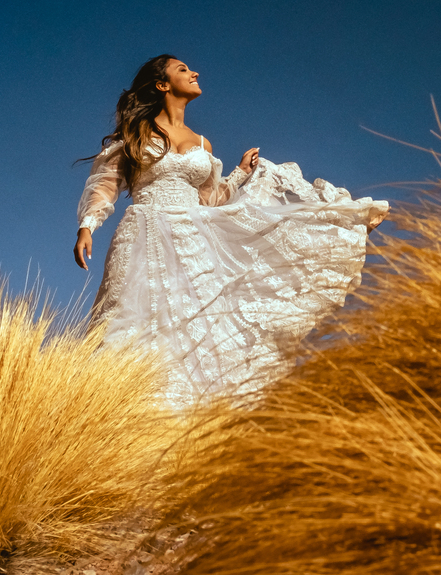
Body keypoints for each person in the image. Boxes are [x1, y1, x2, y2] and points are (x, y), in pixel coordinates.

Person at [74, 54, 387, 410]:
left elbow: (209, 200)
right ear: (162, 84)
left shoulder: (202, 144)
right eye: (182, 70)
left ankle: (344, 223)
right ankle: (117, 409)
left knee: (196, 321)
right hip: (142, 232)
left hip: (191, 236)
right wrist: (88, 225)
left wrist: (238, 174)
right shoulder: (137, 133)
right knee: (130, 317)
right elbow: (106, 184)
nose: (194, 73)